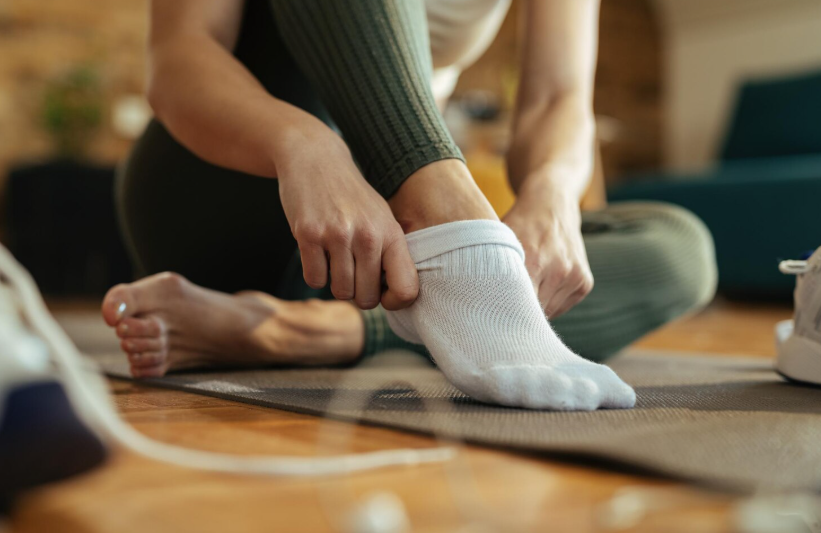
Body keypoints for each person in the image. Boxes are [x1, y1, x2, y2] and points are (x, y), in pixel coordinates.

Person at [101, 0, 716, 410]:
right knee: (466, 248)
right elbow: (179, 56)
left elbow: (557, 96)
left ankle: (304, 333)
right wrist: (306, 147)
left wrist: (552, 194)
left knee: (680, 247)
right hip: (236, 186)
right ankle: (457, 235)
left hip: (388, 256)